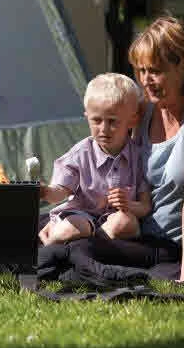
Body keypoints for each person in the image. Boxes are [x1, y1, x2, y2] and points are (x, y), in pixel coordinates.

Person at [38, 15, 184, 287]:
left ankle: (51, 261)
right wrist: (62, 213)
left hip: (181, 250)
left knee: (80, 249)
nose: (146, 80)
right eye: (141, 71)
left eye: (155, 70)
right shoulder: (146, 109)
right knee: (47, 224)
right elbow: (105, 146)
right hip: (139, 235)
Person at [39, 73, 151, 245]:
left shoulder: (139, 157)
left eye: (113, 121)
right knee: (70, 228)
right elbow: (59, 192)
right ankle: (49, 247)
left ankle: (90, 245)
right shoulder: (81, 154)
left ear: (132, 121)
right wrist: (44, 191)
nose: (104, 129)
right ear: (87, 117)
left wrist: (128, 204)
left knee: (127, 223)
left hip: (114, 219)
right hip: (83, 215)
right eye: (97, 120)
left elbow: (145, 206)